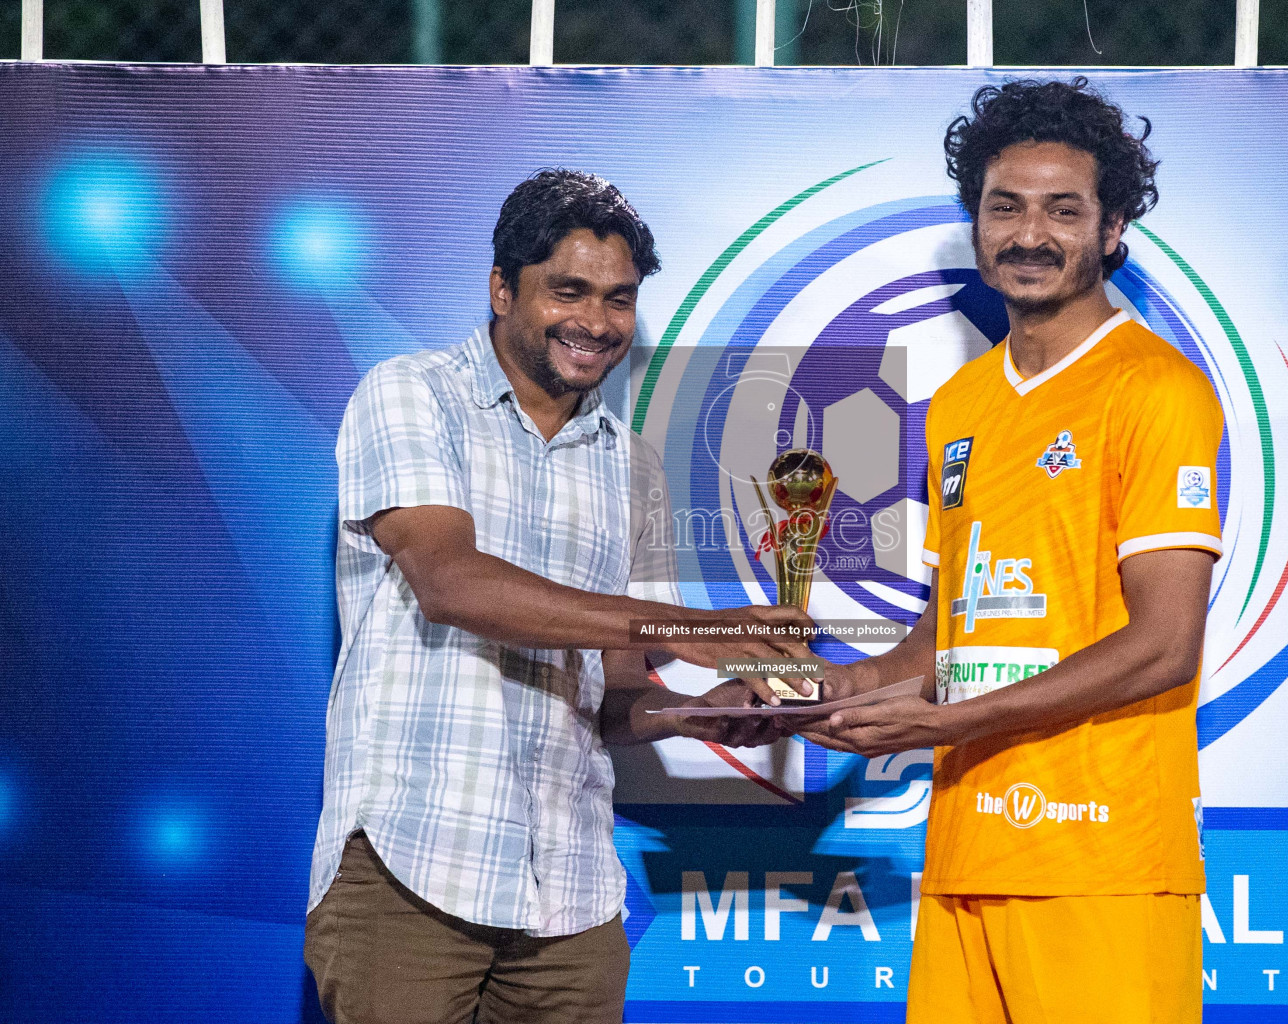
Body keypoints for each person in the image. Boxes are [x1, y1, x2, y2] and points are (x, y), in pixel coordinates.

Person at [304, 169, 817, 1024]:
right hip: (412, 868)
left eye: (618, 300)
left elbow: (611, 691)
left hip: (571, 898)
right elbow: (450, 582)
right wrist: (690, 629)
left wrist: (707, 711)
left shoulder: (633, 465)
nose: (595, 322)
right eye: (567, 291)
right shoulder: (411, 394)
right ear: (502, 288)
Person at [799, 79, 1223, 1023]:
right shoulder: (961, 407)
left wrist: (949, 725)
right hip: (967, 854)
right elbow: (947, 639)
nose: (1030, 233)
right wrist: (838, 691)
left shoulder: (1157, 390)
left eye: (1062, 210)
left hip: (1101, 858)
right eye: (1006, 206)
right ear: (977, 224)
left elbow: (1163, 645)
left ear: (1112, 229)